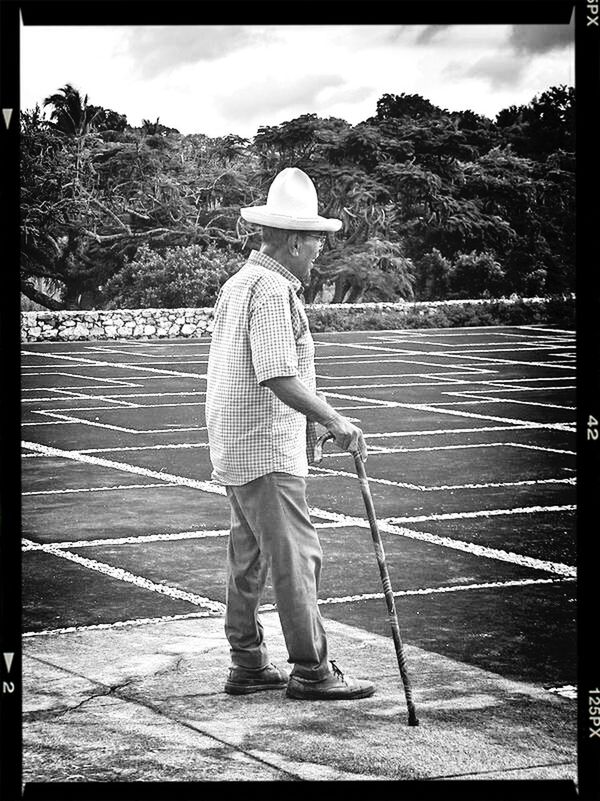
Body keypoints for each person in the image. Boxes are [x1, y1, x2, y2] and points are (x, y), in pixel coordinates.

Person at [206, 167, 375, 701]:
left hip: (237, 445)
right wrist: (332, 419)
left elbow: (262, 373)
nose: (319, 252)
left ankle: (248, 662)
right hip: (264, 450)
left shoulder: (240, 284)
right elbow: (277, 374)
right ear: (295, 239)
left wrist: (309, 425)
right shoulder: (273, 289)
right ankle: (311, 668)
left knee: (248, 558)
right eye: (316, 241)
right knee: (298, 557)